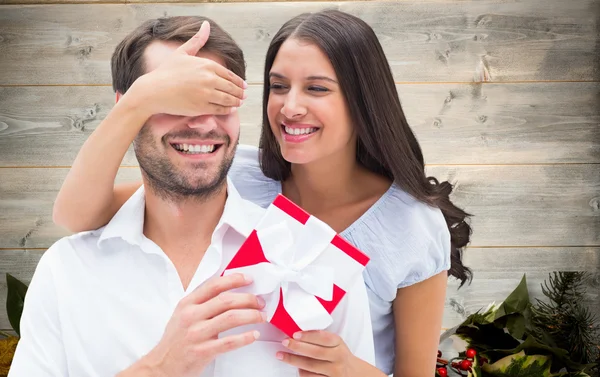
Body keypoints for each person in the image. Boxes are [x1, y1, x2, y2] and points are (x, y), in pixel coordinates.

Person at [52, 10, 474, 377]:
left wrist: (349, 368)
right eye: (277, 86)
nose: (289, 107)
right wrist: (138, 100)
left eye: (317, 88)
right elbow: (79, 214)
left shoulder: (413, 226)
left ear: (362, 100)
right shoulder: (238, 174)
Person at [9, 16, 377, 377]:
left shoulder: (313, 261)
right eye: (175, 100)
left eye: (218, 101)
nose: (203, 123)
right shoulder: (67, 272)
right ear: (126, 108)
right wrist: (159, 369)